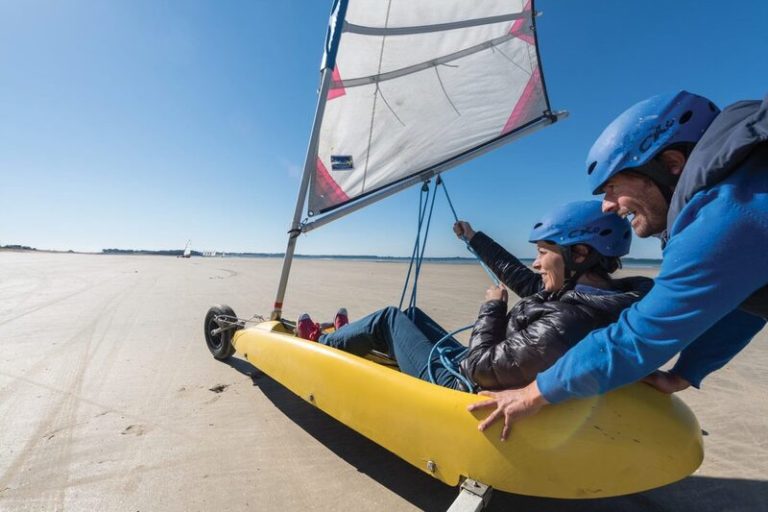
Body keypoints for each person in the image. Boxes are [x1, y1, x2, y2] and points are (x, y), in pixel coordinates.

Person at [472, 91, 768, 440]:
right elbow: (748, 302)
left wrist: (534, 393)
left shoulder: (725, 212)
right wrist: (687, 370)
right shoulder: (746, 184)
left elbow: (635, 339)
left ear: (671, 163)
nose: (607, 207)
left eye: (612, 187)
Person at [297, 200, 653, 392]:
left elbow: (478, 368)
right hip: (491, 362)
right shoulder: (582, 295)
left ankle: (322, 344)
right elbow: (518, 275)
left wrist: (492, 308)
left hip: (461, 383)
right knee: (414, 315)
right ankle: (347, 334)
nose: (535, 262)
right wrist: (473, 238)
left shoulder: (567, 318)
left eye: (544, 252)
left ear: (579, 255)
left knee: (389, 319)